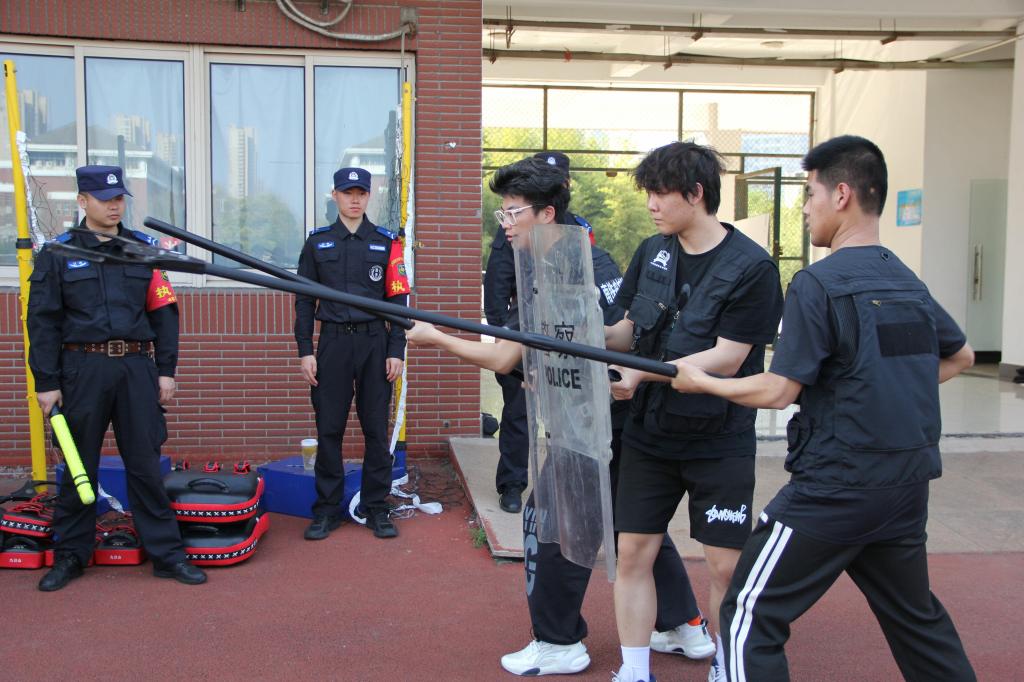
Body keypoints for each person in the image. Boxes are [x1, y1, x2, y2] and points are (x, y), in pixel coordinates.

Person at [670, 135, 977, 682]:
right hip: (905, 485)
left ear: (841, 195)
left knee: (747, 614)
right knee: (916, 620)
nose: (805, 208)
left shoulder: (818, 283)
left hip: (835, 486)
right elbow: (961, 356)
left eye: (809, 194)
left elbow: (779, 389)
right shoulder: (906, 280)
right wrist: (876, 385)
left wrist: (705, 383)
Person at [408, 157, 711, 677]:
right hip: (604, 415)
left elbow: (507, 356)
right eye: (502, 214)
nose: (505, 225)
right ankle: (684, 624)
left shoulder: (569, 266)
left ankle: (558, 641)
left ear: (546, 214)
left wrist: (435, 337)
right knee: (632, 527)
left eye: (513, 213)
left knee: (549, 519)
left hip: (601, 419)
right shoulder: (565, 259)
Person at [604, 142, 784, 682]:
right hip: (650, 434)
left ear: (696, 193)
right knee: (632, 553)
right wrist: (579, 331)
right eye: (649, 193)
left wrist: (641, 374)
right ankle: (634, 670)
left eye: (660, 193)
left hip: (719, 441)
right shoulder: (651, 251)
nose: (651, 205)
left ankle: (727, 666)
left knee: (725, 565)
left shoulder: (752, 267)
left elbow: (728, 358)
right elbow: (628, 330)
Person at [27, 164, 206, 591]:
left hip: (135, 368)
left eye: (119, 198)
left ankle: (167, 555)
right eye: (105, 199)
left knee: (145, 465)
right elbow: (43, 321)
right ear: (82, 201)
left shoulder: (143, 249)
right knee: (78, 466)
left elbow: (164, 314)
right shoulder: (58, 253)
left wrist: (166, 370)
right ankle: (71, 555)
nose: (114, 206)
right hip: (81, 369)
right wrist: (46, 381)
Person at [295, 167, 410, 540]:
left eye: (361, 192)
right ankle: (327, 509)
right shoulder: (318, 243)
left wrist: (396, 349)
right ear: (335, 196)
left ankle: (376, 507)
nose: (355, 199)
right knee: (329, 428)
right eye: (348, 193)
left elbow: (398, 301)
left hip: (375, 344)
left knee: (375, 429)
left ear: (369, 195)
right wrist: (305, 350)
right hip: (332, 345)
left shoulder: (386, 242)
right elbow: (303, 301)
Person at [483, 151, 596, 514]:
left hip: (563, 342)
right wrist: (505, 337)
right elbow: (498, 285)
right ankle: (512, 483)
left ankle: (562, 485)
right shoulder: (515, 227)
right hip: (521, 333)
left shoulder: (577, 230)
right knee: (518, 414)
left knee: (565, 420)